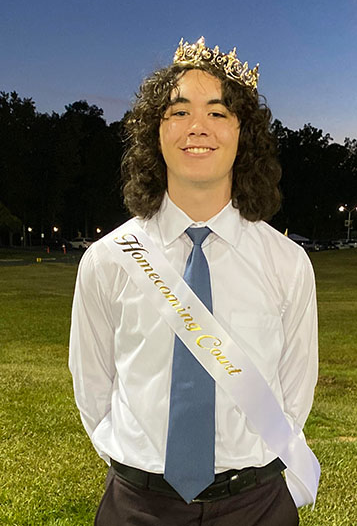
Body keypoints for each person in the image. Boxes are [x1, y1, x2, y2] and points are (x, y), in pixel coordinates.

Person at [69, 37, 319, 525]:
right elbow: (93, 390)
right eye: (178, 112)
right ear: (154, 133)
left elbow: (295, 394)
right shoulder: (108, 260)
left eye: (219, 113)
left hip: (257, 505)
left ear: (243, 134)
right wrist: (138, 470)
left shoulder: (287, 262)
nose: (197, 127)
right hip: (137, 506)